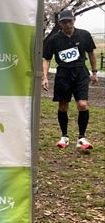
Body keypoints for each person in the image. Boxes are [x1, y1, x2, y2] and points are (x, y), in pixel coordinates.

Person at [42, 9, 99, 149]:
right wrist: (45, 77)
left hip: (80, 73)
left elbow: (91, 53)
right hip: (63, 74)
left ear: (74, 20)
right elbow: (47, 59)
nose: (67, 24)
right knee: (63, 105)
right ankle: (64, 136)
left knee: (82, 104)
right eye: (64, 22)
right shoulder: (53, 39)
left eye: (69, 21)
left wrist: (94, 72)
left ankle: (82, 138)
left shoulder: (84, 35)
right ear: (60, 23)